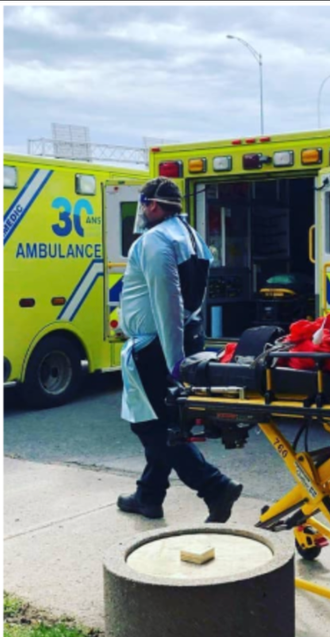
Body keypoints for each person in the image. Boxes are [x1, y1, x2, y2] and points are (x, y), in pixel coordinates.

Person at [115, 177, 243, 523]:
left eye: (143, 204)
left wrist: (175, 363)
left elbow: (166, 303)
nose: (141, 211)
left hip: (156, 346)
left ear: (153, 205)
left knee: (152, 428)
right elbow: (189, 303)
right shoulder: (192, 238)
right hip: (178, 339)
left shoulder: (154, 241)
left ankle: (215, 487)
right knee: (164, 422)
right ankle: (149, 496)